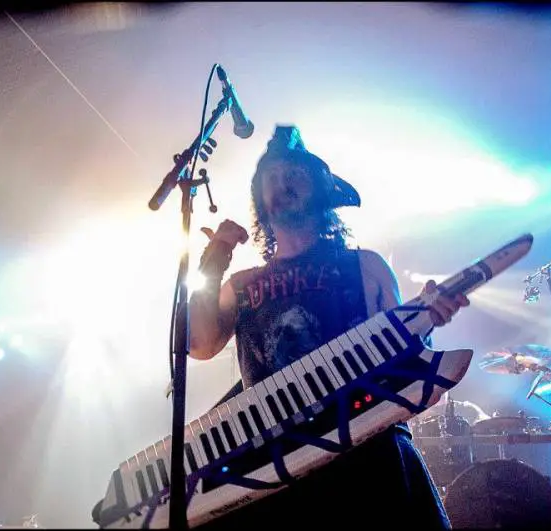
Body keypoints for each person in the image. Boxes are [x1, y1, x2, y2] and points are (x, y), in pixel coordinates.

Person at [188, 125, 469, 529]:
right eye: (271, 177)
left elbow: (405, 367)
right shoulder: (242, 285)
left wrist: (428, 320)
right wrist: (214, 258)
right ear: (260, 200)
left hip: (368, 454)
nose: (281, 183)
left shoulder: (365, 266)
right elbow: (199, 344)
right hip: (279, 468)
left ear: (321, 191)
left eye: (294, 174)